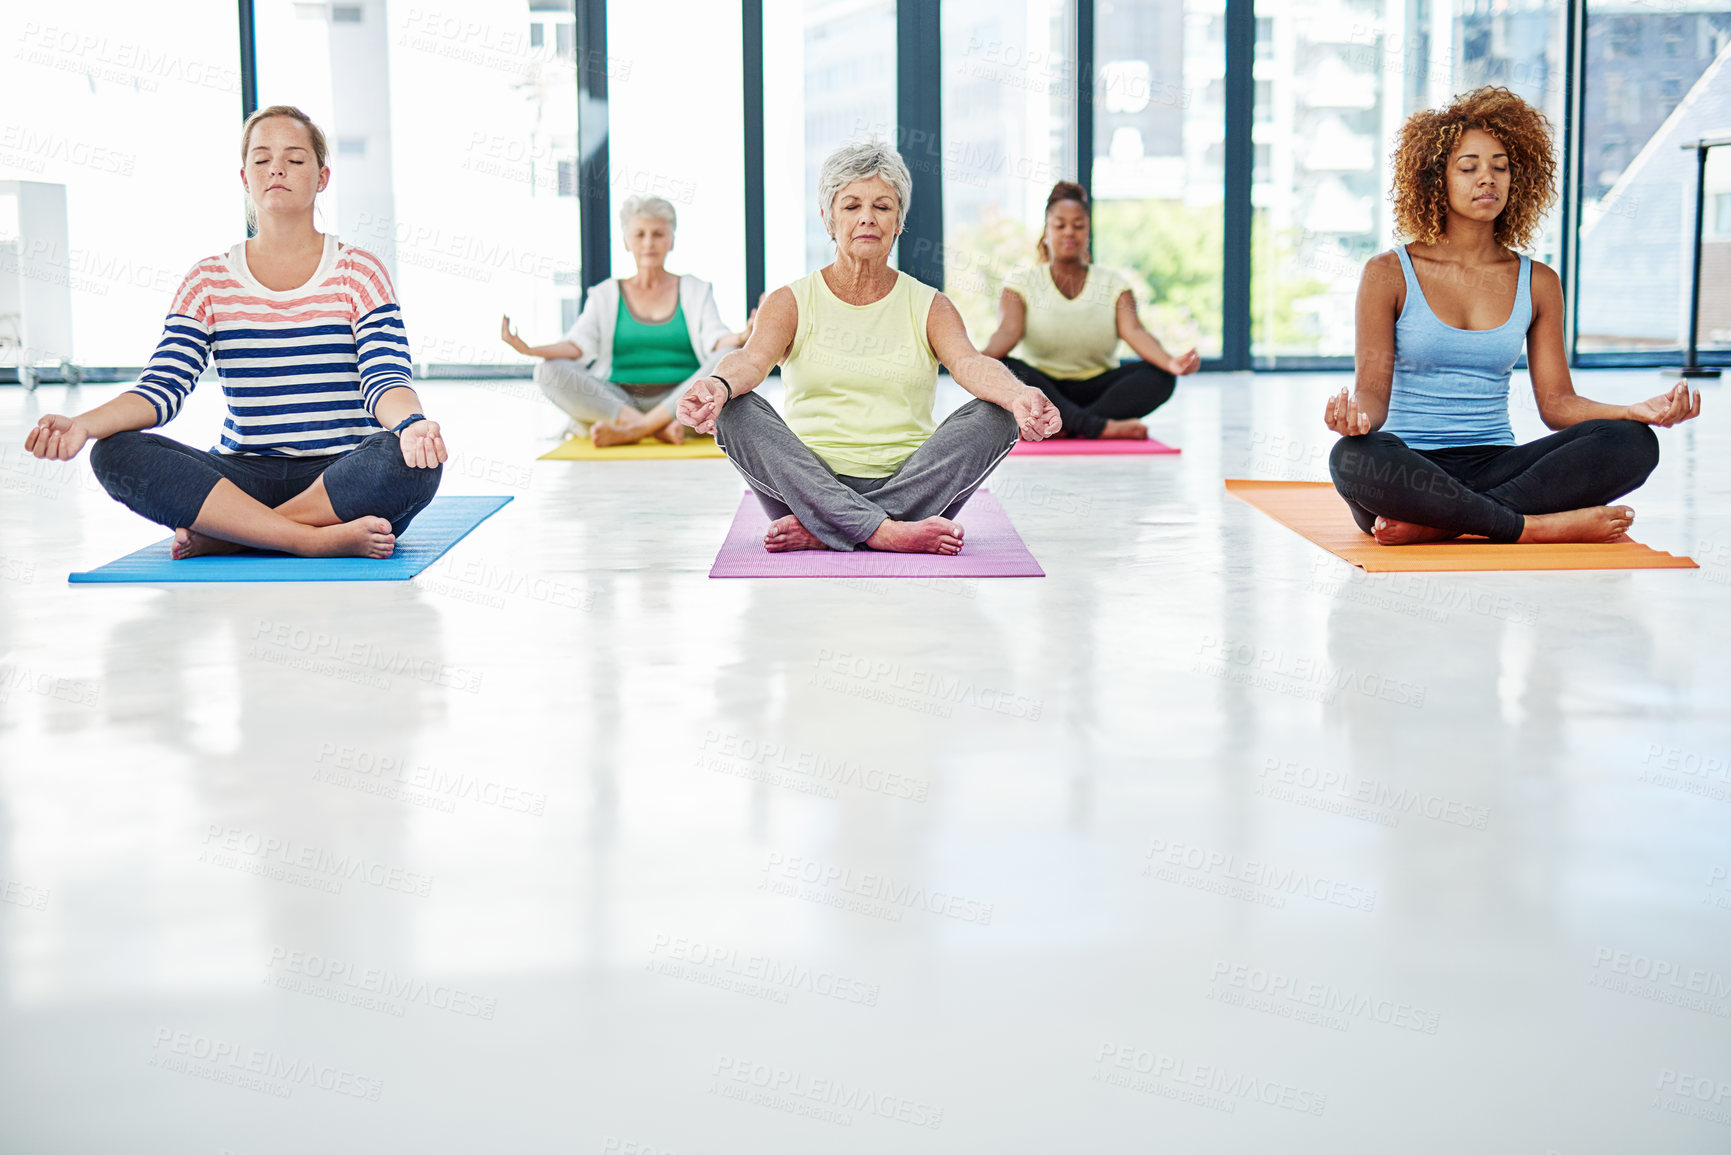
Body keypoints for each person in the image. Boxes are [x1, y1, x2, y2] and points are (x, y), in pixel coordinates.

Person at [22, 105, 445, 559]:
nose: (276, 168)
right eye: (261, 160)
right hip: (243, 477)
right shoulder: (208, 280)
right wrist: (82, 425)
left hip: (340, 478)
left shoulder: (359, 272)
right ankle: (309, 539)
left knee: (413, 460)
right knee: (113, 453)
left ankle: (234, 535)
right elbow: (161, 387)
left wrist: (412, 424)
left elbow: (386, 380)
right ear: (245, 178)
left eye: (295, 159)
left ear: (322, 177)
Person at [1327, 86, 1699, 546]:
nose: (1488, 178)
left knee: (1634, 442)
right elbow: (1372, 395)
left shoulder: (1538, 280)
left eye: (1500, 167)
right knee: (1353, 457)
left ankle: (1444, 522)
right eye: (1469, 167)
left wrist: (1632, 411)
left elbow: (1558, 404)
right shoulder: (1387, 273)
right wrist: (1355, 418)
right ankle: (1533, 527)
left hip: (1498, 464)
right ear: (1433, 179)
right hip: (1410, 463)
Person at [677, 139, 1061, 555]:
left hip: (912, 485)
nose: (867, 218)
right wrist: (717, 385)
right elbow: (750, 360)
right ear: (827, 219)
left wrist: (1019, 395)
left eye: (882, 207)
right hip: (806, 484)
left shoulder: (930, 304)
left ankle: (829, 530)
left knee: (997, 412)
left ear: (899, 221)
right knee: (736, 407)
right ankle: (887, 533)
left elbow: (970, 363)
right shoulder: (789, 301)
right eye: (851, 206)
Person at [501, 195, 746, 447]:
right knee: (547, 370)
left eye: (658, 234)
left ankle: (636, 429)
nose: (649, 242)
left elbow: (716, 340)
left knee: (729, 356)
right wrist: (530, 350)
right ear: (627, 241)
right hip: (619, 402)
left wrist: (741, 337)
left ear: (671, 240)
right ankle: (655, 429)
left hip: (682, 404)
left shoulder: (696, 289)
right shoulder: (605, 294)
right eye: (640, 234)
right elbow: (577, 344)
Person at [982, 180, 1199, 439]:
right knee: (1005, 368)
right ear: (1046, 232)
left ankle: (1064, 425)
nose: (1069, 232)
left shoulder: (1114, 284)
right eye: (1060, 225)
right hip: (1043, 389)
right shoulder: (1020, 284)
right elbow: (1007, 332)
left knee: (1160, 376)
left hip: (1099, 388)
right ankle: (1097, 427)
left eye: (1078, 225)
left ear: (1088, 232)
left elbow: (1136, 331)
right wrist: (973, 360)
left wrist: (1170, 362)